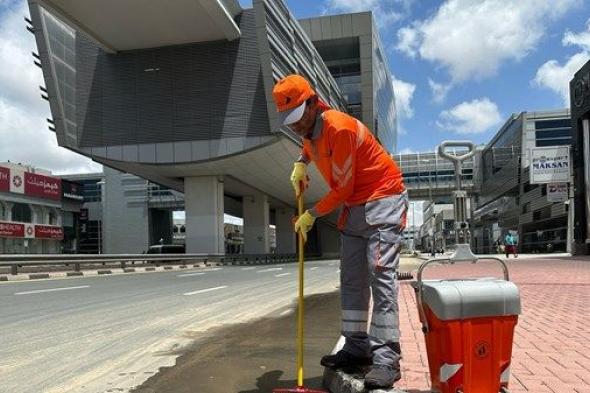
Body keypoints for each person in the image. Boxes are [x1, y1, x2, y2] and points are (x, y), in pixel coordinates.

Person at [272, 74, 407, 389]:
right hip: (355, 207)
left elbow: (343, 189)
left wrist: (311, 215)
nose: (294, 126)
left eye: (297, 118)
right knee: (351, 279)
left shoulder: (339, 127)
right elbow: (309, 145)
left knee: (380, 274)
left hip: (382, 197)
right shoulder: (310, 129)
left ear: (312, 103)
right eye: (288, 120)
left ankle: (387, 359)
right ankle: (356, 348)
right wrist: (301, 163)